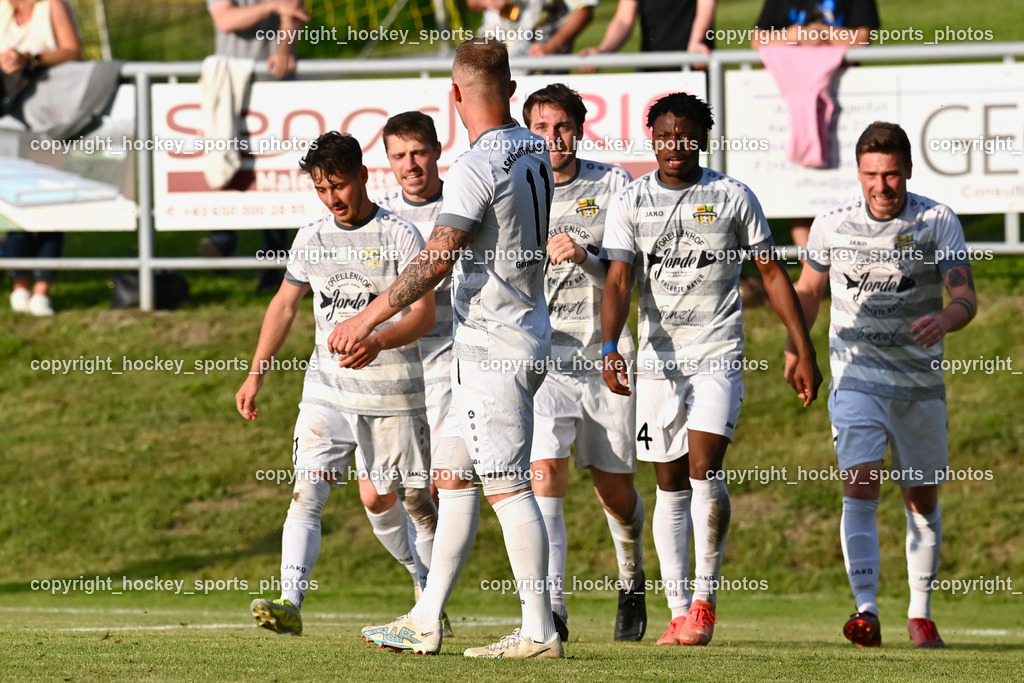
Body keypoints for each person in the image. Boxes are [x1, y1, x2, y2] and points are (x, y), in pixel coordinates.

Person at [335, 37, 563, 659]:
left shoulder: (476, 164)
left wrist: (366, 319)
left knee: (507, 485)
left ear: (455, 94)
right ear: (511, 90)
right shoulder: (532, 146)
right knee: (455, 476)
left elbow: (436, 260)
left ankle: (540, 630)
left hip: (497, 341)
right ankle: (427, 618)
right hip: (511, 329)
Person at [601, 92, 821, 646]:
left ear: (703, 138)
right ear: (652, 137)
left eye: (687, 135)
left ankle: (703, 601)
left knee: (704, 468)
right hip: (655, 363)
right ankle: (677, 611)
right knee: (669, 482)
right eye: (666, 135)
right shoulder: (630, 202)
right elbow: (620, 280)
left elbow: (771, 274)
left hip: (717, 353)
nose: (676, 145)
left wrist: (803, 347)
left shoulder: (731, 196)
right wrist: (610, 345)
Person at [236, 131, 438, 636]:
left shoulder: (400, 236)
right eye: (323, 190)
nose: (333, 199)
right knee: (307, 493)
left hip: (392, 394)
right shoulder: (312, 237)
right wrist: (256, 372)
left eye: (340, 187)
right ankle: (290, 601)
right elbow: (284, 306)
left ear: (364, 176)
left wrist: (378, 340)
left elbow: (423, 316)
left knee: (398, 500)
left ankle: (427, 589)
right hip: (327, 391)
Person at [786, 121, 977, 649]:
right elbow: (807, 290)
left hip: (917, 384)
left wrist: (949, 319)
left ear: (908, 171)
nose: (881, 186)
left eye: (891, 174)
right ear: (858, 173)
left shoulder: (937, 221)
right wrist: (796, 346)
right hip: (855, 378)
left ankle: (920, 613)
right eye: (871, 174)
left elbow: (965, 296)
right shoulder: (831, 224)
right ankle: (865, 610)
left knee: (920, 498)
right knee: (861, 483)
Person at [522, 83, 646, 642]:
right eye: (542, 128)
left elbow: (627, 277)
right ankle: (554, 610)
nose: (554, 138)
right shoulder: (515, 185)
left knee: (614, 489)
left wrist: (586, 256)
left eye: (563, 126)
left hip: (604, 355)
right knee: (545, 474)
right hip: (543, 359)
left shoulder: (613, 183)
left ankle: (630, 576)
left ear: (579, 127)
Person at [374, 110, 452, 634]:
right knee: (396, 494)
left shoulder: (461, 206)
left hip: (457, 355)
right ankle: (425, 592)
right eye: (399, 156)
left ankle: (542, 608)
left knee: (446, 485)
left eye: (418, 152)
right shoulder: (382, 220)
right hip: (400, 364)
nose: (411, 165)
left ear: (437, 149)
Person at [198, 0, 310, 293]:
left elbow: (292, 16)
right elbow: (226, 19)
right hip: (231, 90)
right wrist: (274, 5)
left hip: (276, 87)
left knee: (275, 178)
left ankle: (273, 267)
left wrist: (284, 51)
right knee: (226, 160)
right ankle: (222, 241)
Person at [751, 0, 881, 250]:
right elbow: (757, 40)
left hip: (849, 101)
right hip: (789, 105)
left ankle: (852, 257)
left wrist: (823, 35)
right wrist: (796, 36)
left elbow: (863, 38)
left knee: (848, 179)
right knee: (798, 181)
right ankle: (809, 264)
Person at [1, 0, 81, 316]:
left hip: (52, 116)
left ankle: (42, 288)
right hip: (11, 118)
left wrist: (30, 59)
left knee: (51, 203)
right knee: (17, 203)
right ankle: (19, 283)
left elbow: (72, 50)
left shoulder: (53, 5)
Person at [578, 0, 715, 69]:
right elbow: (624, 19)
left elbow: (706, 7)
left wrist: (696, 42)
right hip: (651, 65)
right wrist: (602, 50)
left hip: (692, 66)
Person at [469, 0, 596, 62]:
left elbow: (584, 9)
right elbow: (471, 3)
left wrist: (552, 46)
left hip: (540, 63)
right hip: (491, 60)